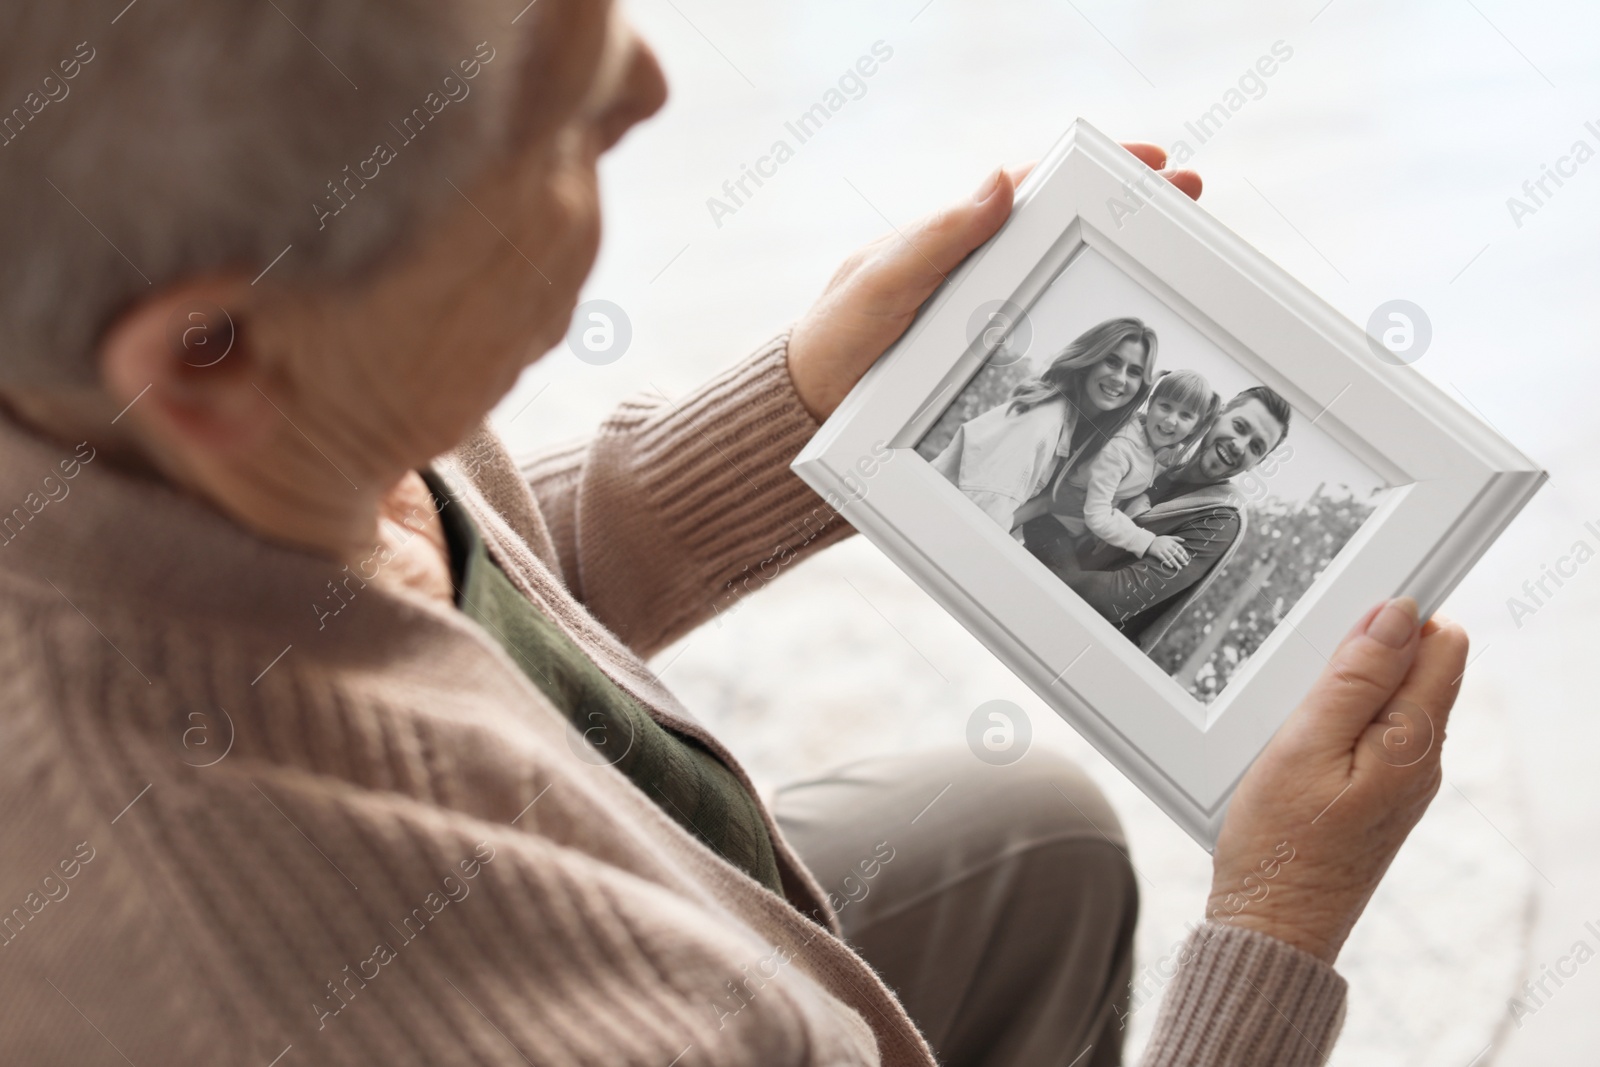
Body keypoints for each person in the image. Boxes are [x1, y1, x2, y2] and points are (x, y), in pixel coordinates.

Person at [0, 3, 1468, 1066]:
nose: (643, 79)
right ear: (215, 362)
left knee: (1032, 839)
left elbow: (440, 608)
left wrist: (815, 406)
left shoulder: (142, 373)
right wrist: (1276, 928)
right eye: (547, 114)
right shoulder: (373, 984)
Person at [1023, 385, 1290, 652]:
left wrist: (1043, 528)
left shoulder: (1220, 520)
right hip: (1023, 592)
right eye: (1240, 427)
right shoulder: (1152, 453)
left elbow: (1111, 599)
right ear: (1218, 415)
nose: (1239, 446)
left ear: (1257, 463)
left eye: (1256, 447)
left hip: (1074, 647)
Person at [928, 317, 1156, 539]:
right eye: (1112, 362)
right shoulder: (1041, 425)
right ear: (1090, 361)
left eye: (1134, 371)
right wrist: (1047, 504)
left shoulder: (1084, 431)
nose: (1119, 378)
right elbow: (974, 529)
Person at [1031, 368, 1220, 578]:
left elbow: (1188, 460)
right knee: (1070, 583)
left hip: (1081, 532)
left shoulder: (1169, 453)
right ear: (1151, 404)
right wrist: (1147, 542)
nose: (1171, 420)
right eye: (1165, 406)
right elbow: (1097, 515)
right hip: (1052, 523)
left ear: (1195, 427)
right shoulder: (1121, 448)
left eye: (1185, 415)